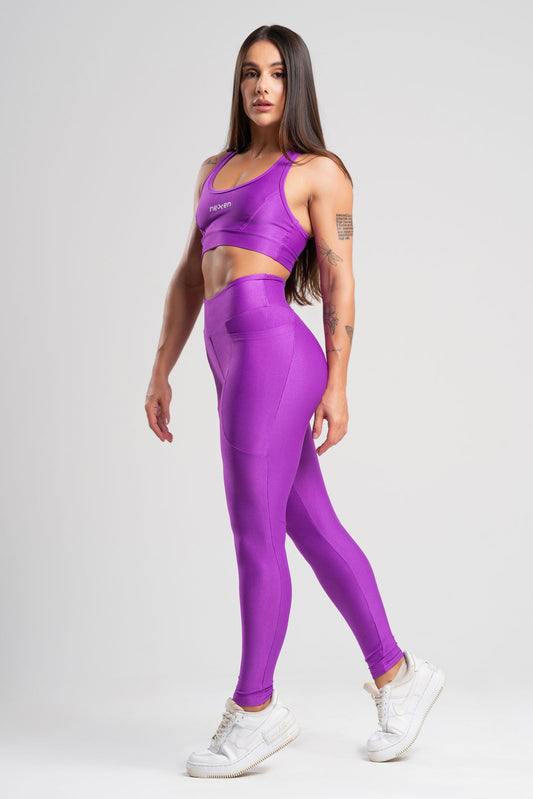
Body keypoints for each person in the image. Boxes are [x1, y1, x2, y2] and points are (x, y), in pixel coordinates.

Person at [145, 24, 446, 779]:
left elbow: (340, 277)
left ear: (296, 83)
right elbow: (189, 276)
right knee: (309, 525)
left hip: (275, 355)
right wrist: (160, 369)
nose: (261, 86)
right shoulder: (213, 170)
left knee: (254, 532)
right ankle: (398, 676)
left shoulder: (319, 173)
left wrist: (339, 382)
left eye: (277, 73)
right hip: (228, 359)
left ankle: (255, 710)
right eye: (250, 72)